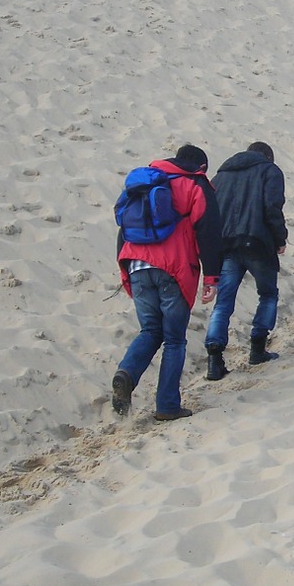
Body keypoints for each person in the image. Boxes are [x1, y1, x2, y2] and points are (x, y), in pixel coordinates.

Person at [112, 144, 223, 421]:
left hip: (135, 263)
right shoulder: (195, 183)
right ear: (201, 166)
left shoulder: (144, 180)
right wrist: (211, 276)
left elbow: (123, 228)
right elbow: (208, 230)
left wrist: (126, 271)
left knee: (150, 330)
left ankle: (126, 373)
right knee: (174, 339)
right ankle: (167, 405)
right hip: (173, 268)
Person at [203, 142, 288, 380]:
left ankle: (214, 358)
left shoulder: (221, 175)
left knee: (223, 302)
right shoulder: (270, 171)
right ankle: (257, 348)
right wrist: (280, 238)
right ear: (267, 157)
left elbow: (211, 212)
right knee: (268, 294)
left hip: (227, 244)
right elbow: (272, 208)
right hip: (258, 243)